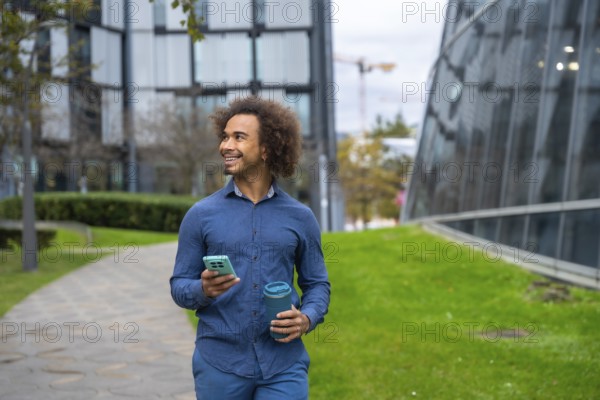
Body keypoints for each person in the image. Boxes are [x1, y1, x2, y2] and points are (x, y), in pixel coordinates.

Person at [170, 96, 331, 399]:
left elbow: (317, 283)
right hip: (219, 365)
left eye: (239, 137)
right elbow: (179, 285)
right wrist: (203, 290)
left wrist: (307, 317)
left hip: (283, 365)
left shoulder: (300, 217)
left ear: (267, 148)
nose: (225, 145)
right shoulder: (200, 215)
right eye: (225, 136)